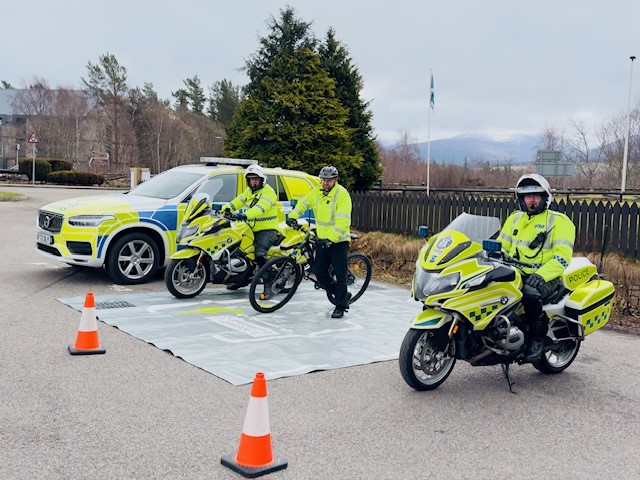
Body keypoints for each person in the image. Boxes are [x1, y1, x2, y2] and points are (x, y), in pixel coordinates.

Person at [497, 173, 576, 362]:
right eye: (527, 196)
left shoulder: (559, 221)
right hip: (516, 271)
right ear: (521, 199)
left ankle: (537, 339)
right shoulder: (514, 219)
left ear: (545, 198)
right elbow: (501, 245)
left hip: (545, 276)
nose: (531, 200)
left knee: (530, 293)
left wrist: (541, 275)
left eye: (536, 196)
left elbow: (562, 258)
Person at [286, 165, 353, 319]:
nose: (325, 183)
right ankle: (340, 293)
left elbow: (343, 222)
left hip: (338, 241)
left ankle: (341, 306)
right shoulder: (317, 192)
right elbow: (304, 203)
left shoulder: (342, 194)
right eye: (323, 180)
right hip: (321, 240)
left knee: (340, 275)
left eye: (329, 180)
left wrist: (331, 239)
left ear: (335, 180)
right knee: (319, 271)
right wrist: (293, 216)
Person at [221, 164, 280, 289]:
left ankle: (269, 282)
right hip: (249, 228)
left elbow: (260, 208)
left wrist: (244, 215)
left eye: (256, 179)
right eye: (251, 179)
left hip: (267, 230)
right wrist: (224, 209)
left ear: (262, 179)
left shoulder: (269, 192)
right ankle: (242, 279)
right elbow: (237, 201)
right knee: (238, 251)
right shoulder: (249, 191)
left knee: (259, 254)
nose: (253, 182)